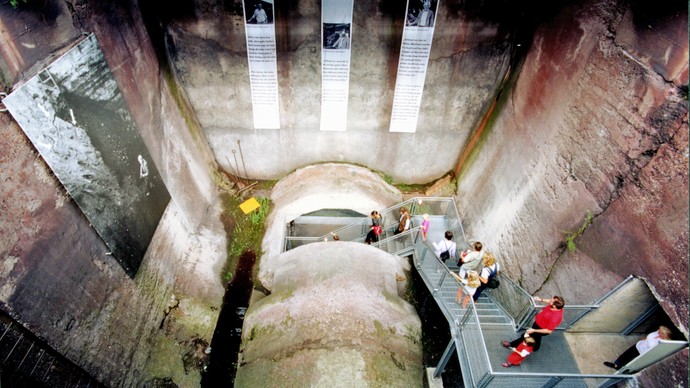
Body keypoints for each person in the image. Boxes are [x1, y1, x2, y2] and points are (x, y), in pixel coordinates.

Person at [603, 326, 672, 370]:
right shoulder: (657, 332)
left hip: (642, 352)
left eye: (660, 332)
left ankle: (622, 370)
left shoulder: (662, 343)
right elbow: (650, 337)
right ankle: (616, 365)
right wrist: (644, 339)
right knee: (625, 355)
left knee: (630, 360)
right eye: (659, 331)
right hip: (638, 345)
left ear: (664, 336)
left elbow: (654, 351)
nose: (658, 332)